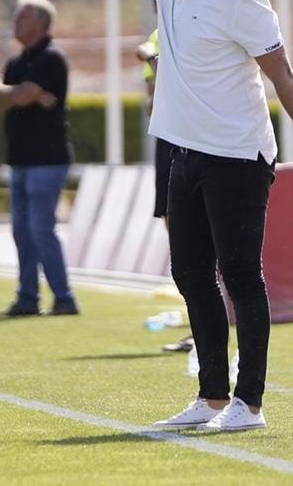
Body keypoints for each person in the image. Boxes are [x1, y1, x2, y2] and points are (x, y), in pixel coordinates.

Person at [0, 0, 293, 432]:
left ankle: (250, 405)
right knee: (191, 275)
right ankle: (212, 397)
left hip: (238, 155)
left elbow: (281, 72)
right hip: (183, 151)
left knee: (240, 276)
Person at [0, 0, 79, 318]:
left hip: (47, 159)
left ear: (41, 23)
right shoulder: (16, 63)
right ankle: (27, 297)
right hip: (20, 158)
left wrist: (17, 93)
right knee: (22, 231)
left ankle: (64, 298)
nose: (15, 23)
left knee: (41, 229)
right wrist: (21, 93)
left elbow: (16, 95)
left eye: (21, 17)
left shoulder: (52, 58)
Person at [135, 22, 193, 355]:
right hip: (167, 141)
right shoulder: (159, 31)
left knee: (201, 239)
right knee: (178, 235)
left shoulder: (198, 20)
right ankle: (198, 325)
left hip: (194, 141)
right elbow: (152, 101)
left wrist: (154, 57)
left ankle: (212, 328)